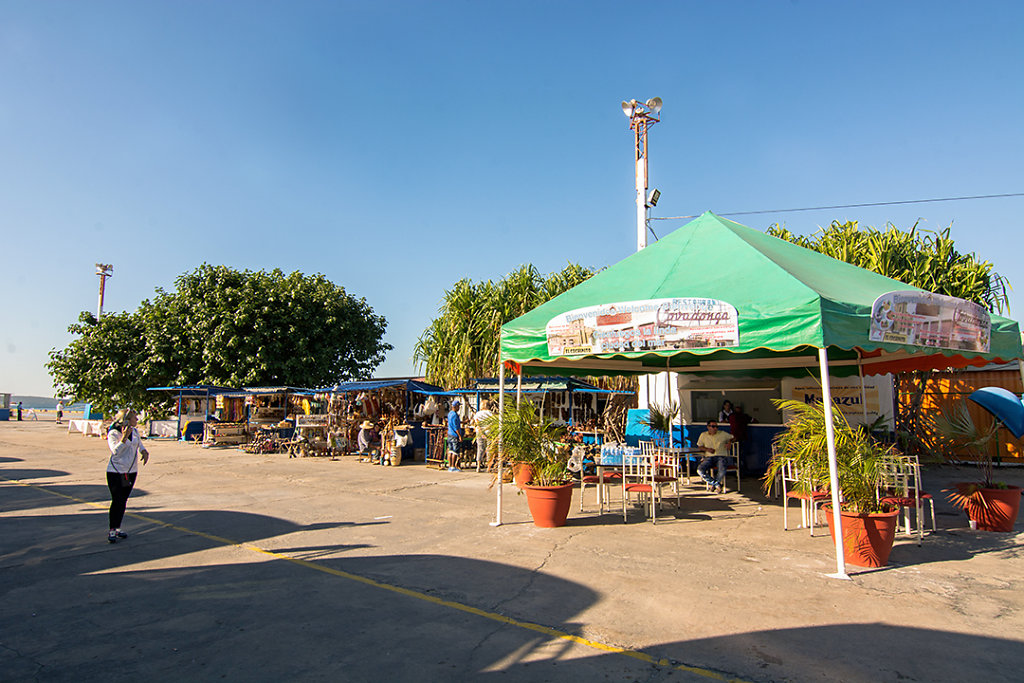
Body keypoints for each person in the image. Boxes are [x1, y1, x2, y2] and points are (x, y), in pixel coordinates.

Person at [105, 409, 150, 544]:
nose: (137, 420)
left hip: (131, 471)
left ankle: (118, 528)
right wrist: (124, 438)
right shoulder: (114, 433)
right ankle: (112, 529)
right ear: (126, 420)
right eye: (134, 418)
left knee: (123, 500)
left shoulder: (135, 432)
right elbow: (115, 451)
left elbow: (139, 444)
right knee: (117, 500)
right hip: (116, 471)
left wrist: (144, 451)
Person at [696, 420, 734, 493]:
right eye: (713, 426)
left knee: (722, 469)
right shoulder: (703, 435)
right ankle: (716, 484)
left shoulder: (722, 434)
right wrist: (707, 449)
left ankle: (715, 484)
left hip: (721, 456)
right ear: (708, 427)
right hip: (709, 457)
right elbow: (700, 446)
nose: (715, 428)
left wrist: (729, 442)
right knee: (700, 470)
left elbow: (733, 437)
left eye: (716, 426)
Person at [471, 399, 495, 473]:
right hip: (489, 432)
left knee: (480, 449)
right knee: (489, 449)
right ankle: (489, 467)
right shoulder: (490, 413)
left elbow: (475, 423)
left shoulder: (478, 414)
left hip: (480, 432)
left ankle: (478, 466)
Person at [446, 399, 463, 472]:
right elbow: (456, 427)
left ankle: (450, 466)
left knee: (450, 450)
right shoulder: (455, 415)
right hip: (454, 434)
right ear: (455, 406)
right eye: (458, 406)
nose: (459, 408)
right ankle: (453, 466)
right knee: (455, 451)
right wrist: (459, 436)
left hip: (449, 434)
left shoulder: (450, 413)